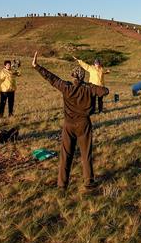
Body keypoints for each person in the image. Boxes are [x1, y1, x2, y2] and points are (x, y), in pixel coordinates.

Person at [33, 52, 109, 190]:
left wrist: (37, 66)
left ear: (73, 76)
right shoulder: (89, 88)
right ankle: (88, 181)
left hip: (68, 124)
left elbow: (51, 78)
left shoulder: (66, 87)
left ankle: (62, 184)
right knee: (86, 153)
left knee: (65, 154)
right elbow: (105, 91)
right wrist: (89, 86)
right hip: (84, 124)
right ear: (83, 77)